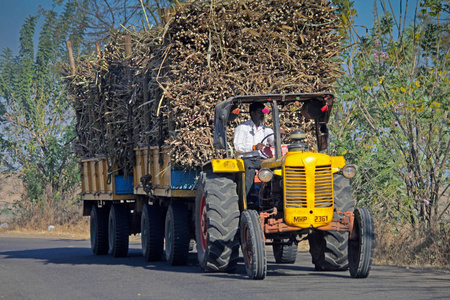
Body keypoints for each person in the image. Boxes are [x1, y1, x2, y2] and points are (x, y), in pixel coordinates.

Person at [234, 102, 274, 196]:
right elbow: (237, 147)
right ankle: (246, 198)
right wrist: (253, 147)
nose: (262, 115)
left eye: (263, 112)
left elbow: (274, 142)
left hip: (260, 158)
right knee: (250, 169)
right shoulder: (242, 128)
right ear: (252, 113)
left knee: (274, 168)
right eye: (259, 112)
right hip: (245, 158)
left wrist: (278, 135)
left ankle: (270, 195)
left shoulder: (266, 129)